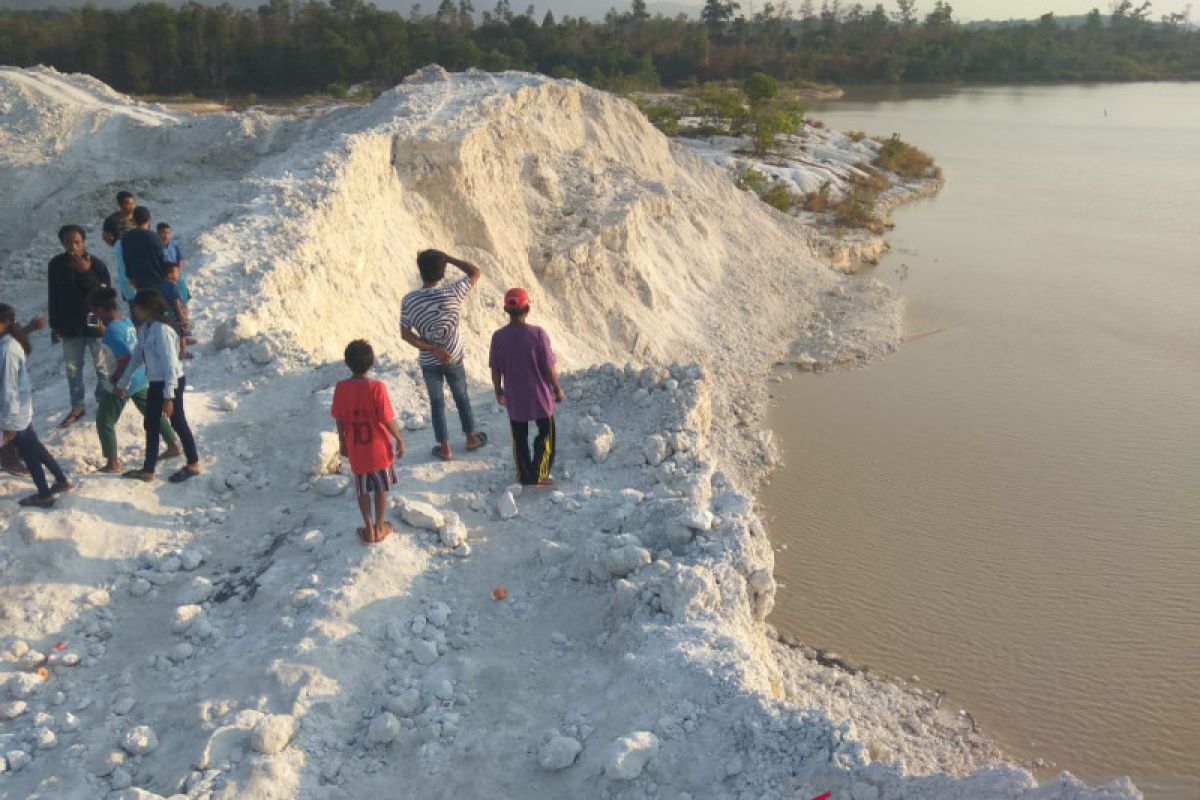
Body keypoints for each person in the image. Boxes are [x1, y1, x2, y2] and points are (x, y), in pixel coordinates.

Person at [400, 249, 487, 461]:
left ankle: (445, 448)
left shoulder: (410, 300)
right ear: (442, 272)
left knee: (437, 403)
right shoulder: (453, 292)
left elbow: (405, 334)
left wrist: (432, 348)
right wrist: (448, 258)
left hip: (430, 361)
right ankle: (470, 439)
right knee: (461, 397)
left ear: (420, 272)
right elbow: (475, 271)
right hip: (454, 357)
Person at [89, 287, 181, 473]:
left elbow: (124, 358)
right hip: (140, 377)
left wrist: (117, 381)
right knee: (152, 413)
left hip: (124, 380)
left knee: (105, 420)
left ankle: (112, 462)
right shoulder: (125, 322)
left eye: (94, 310)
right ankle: (173, 445)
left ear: (100, 310)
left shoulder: (111, 332)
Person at [117, 289, 200, 483]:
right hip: (156, 381)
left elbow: (170, 365)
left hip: (171, 381)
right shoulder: (146, 329)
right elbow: (137, 356)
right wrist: (123, 382)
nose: (135, 311)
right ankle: (148, 469)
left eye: (138, 307)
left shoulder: (162, 331)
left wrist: (169, 396)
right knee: (151, 423)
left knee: (177, 421)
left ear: (147, 309)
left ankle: (193, 463)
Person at [331, 340, 406, 544]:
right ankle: (380, 525)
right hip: (379, 449)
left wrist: (342, 441)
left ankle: (367, 527)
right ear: (371, 362)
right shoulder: (377, 387)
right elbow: (386, 418)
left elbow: (338, 417)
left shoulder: (341, 388)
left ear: (347, 363)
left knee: (362, 489)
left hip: (357, 449)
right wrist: (398, 437)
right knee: (381, 488)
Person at [489, 288, 564, 487]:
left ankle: (524, 475)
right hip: (539, 395)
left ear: (506, 309)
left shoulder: (498, 337)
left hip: (515, 397)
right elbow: (549, 367)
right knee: (546, 434)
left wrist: (498, 390)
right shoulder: (538, 334)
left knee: (519, 437)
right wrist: (556, 388)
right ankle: (539, 474)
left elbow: (496, 368)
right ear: (527, 308)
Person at [0, 304, 72, 508]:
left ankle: (44, 494)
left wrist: (8, 422)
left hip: (14, 409)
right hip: (18, 407)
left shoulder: (7, 349)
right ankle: (60, 479)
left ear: (4, 324)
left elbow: (8, 388)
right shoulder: (10, 342)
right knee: (33, 446)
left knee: (28, 452)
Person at [48, 224, 111, 427]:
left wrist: (85, 272)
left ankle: (104, 402)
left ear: (83, 242)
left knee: (102, 366)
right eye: (68, 242)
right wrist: (54, 324)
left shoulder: (97, 265)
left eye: (76, 242)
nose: (73, 246)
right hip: (69, 323)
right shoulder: (56, 265)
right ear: (62, 243)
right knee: (73, 368)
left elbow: (105, 294)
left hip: (94, 320)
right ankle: (78, 406)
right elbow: (53, 296)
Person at [0, 314, 46, 475]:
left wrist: (30, 328)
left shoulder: (9, 346)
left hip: (14, 395)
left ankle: (13, 457)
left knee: (20, 431)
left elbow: (11, 331)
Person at [120, 207, 164, 299]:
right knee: (162, 310)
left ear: (133, 220)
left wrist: (130, 277)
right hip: (156, 280)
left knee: (146, 308)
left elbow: (126, 259)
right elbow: (163, 259)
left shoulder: (126, 238)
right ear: (149, 219)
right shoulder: (155, 237)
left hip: (138, 282)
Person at [157, 222, 193, 331]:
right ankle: (178, 330)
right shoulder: (156, 247)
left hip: (177, 276)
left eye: (168, 233)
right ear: (157, 233)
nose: (165, 235)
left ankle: (185, 330)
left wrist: (177, 272)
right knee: (172, 304)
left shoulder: (174, 245)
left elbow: (180, 260)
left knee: (183, 300)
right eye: (162, 233)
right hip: (165, 279)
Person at [159, 262, 191, 359]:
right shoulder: (173, 286)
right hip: (175, 313)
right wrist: (182, 315)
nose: (178, 275)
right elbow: (176, 301)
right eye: (177, 272)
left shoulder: (160, 284)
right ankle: (183, 352)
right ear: (170, 274)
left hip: (165, 313)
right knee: (182, 333)